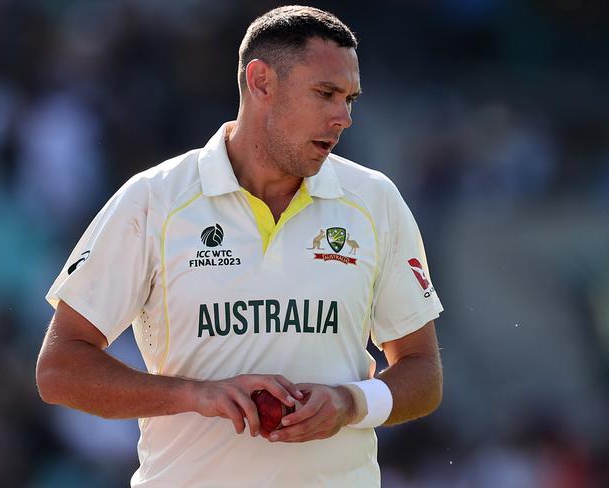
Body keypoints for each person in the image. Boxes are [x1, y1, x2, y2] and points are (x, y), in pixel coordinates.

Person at [36, 5, 444, 487]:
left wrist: (349, 402)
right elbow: (60, 370)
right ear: (261, 82)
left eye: (350, 99)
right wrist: (197, 394)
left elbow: (423, 375)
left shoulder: (374, 200)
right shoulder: (154, 199)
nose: (344, 117)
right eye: (326, 94)